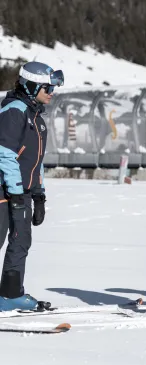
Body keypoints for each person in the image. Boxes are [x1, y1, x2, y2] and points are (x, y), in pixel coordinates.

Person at [0, 61, 64, 311]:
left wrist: (39, 195)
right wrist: (16, 192)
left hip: (22, 192)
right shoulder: (15, 111)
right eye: (47, 88)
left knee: (21, 241)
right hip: (5, 190)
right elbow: (4, 153)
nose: (51, 93)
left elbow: (36, 161)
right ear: (31, 86)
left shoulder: (37, 118)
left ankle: (10, 294)